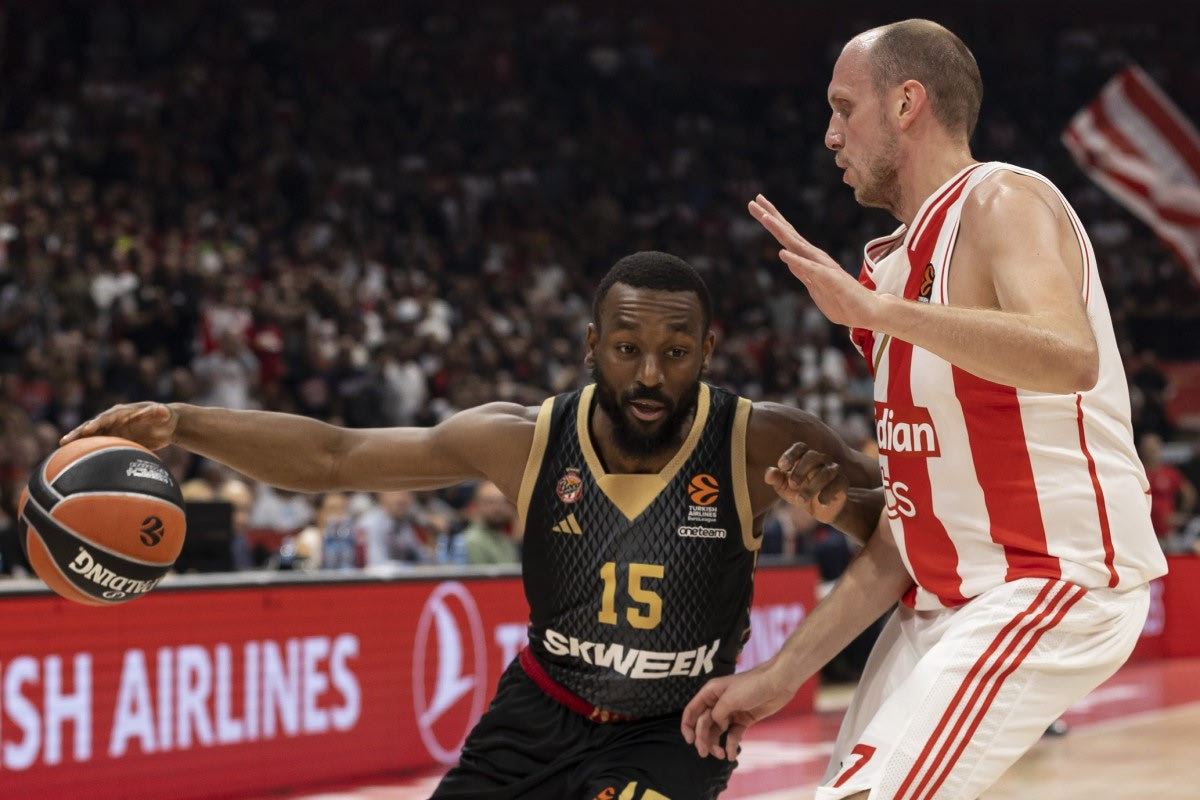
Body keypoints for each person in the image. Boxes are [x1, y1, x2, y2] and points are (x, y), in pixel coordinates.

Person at [64, 251, 883, 800]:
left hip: (673, 730)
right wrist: (183, 423)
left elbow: (906, 522)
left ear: (707, 350)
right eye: (627, 348)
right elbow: (336, 456)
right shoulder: (525, 439)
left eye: (674, 352)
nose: (648, 374)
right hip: (538, 714)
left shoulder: (760, 439)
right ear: (592, 345)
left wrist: (842, 509)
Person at [681, 19, 1169, 800]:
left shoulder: (1001, 199)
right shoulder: (888, 268)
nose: (830, 135)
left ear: (907, 103)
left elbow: (1068, 354)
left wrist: (880, 315)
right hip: (943, 601)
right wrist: (782, 673)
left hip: (1053, 579)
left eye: (845, 108)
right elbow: (906, 536)